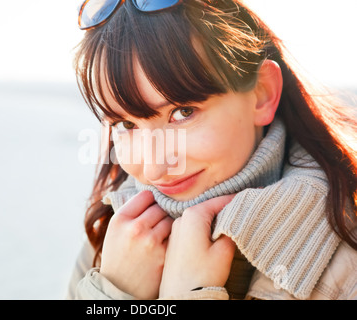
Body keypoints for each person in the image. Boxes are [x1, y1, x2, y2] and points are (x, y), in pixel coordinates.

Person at [67, 0, 357, 300]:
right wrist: (114, 292)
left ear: (261, 94)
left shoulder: (348, 265)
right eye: (126, 125)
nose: (153, 170)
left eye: (183, 112)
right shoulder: (112, 236)